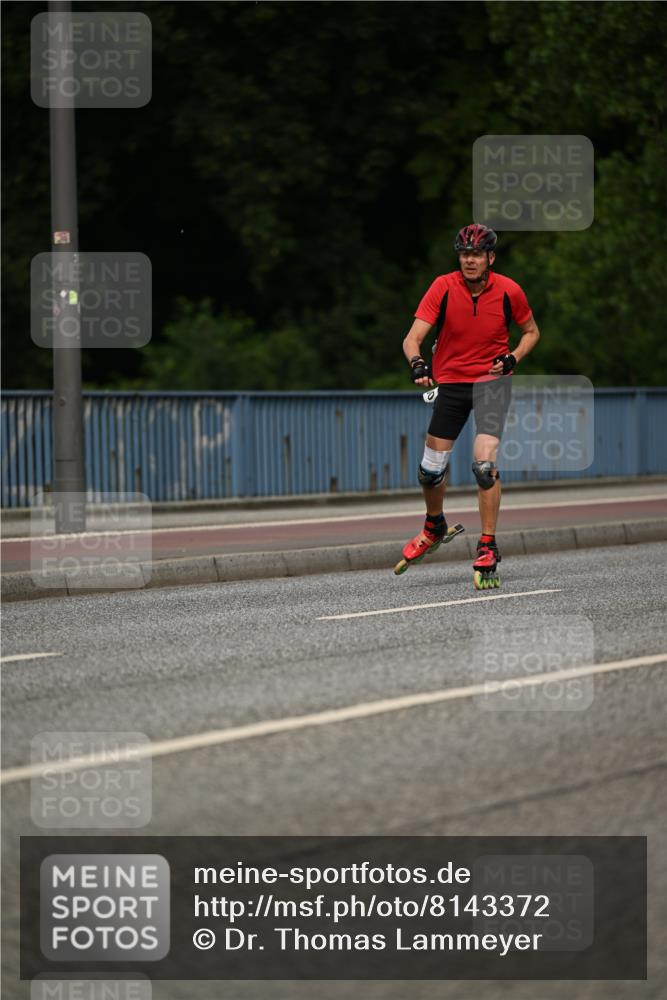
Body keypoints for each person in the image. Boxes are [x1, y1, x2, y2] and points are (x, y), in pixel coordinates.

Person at [397, 223, 540, 588]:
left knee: (483, 464)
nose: (469, 261)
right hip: (452, 384)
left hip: (491, 384)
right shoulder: (443, 287)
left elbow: (531, 332)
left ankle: (487, 544)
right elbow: (412, 338)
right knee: (430, 470)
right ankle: (434, 524)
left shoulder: (509, 291)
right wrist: (417, 363)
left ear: (490, 257)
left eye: (476, 254)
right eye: (464, 254)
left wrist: (514, 358)